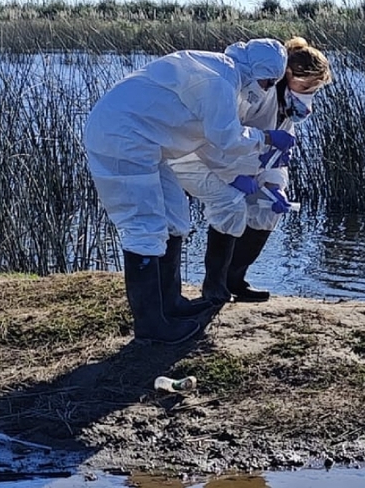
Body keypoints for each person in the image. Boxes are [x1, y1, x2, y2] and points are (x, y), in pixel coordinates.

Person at [83, 41, 297, 344]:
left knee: (175, 218)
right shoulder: (218, 80)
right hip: (122, 139)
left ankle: (171, 304)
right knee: (144, 228)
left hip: (148, 144)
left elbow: (203, 137)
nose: (266, 90)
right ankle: (150, 326)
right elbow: (226, 138)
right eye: (267, 82)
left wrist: (240, 172)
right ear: (259, 72)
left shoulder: (224, 76)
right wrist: (266, 139)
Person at [170, 37, 332, 304]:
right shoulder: (254, 93)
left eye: (314, 89)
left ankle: (235, 278)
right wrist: (233, 176)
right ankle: (214, 286)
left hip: (243, 166)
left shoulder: (285, 106)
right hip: (205, 158)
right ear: (287, 75)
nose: (308, 95)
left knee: (268, 211)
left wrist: (275, 185)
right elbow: (220, 137)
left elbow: (276, 157)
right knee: (229, 206)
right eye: (305, 87)